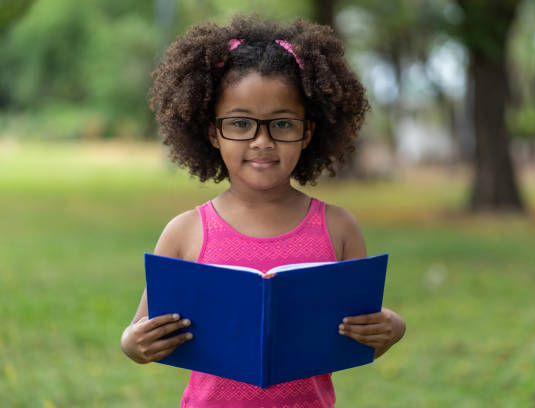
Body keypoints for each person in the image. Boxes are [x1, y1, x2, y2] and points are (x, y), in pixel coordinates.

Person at [120, 14, 406, 408]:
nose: (261, 141)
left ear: (308, 131)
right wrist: (134, 343)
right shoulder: (185, 232)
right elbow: (139, 334)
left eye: (282, 124)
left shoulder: (338, 228)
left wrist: (392, 328)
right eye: (240, 123)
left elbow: (360, 339)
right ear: (212, 132)